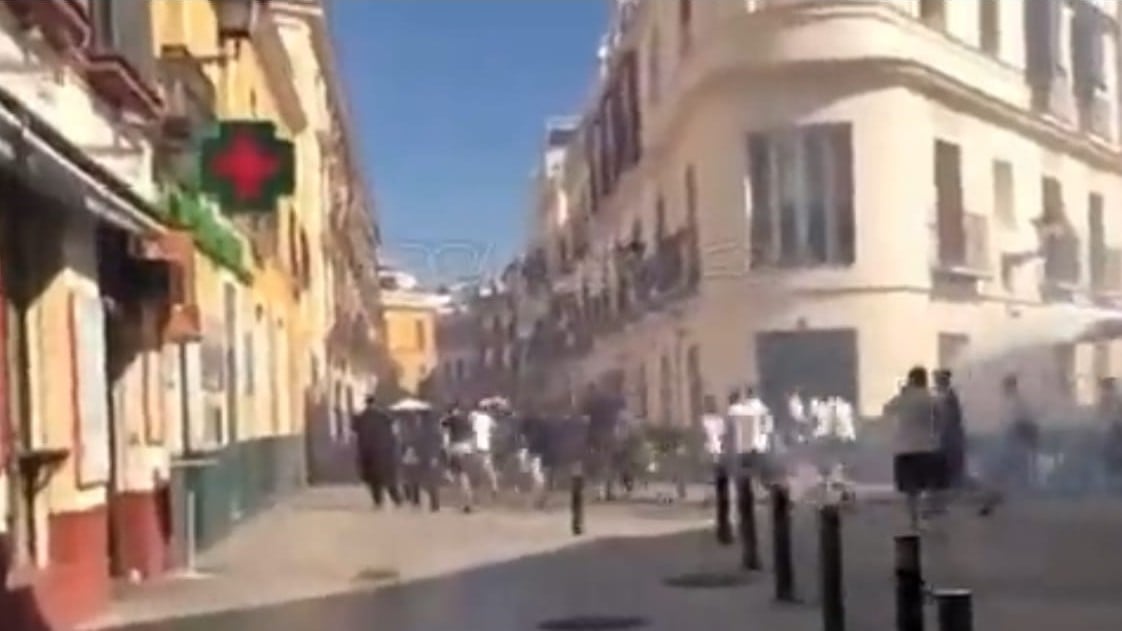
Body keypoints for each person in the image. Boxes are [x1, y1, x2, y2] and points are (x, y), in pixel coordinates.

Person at [884, 366, 943, 530]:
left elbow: (887, 409)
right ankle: (926, 518)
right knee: (927, 484)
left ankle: (913, 520)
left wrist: (902, 393)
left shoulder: (904, 397)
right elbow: (939, 419)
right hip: (927, 447)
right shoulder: (931, 398)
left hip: (905, 448)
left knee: (910, 489)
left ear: (911, 380)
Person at [352, 396, 403, 509]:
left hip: (368, 453)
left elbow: (354, 429)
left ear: (366, 403)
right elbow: (392, 428)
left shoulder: (362, 417)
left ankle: (378, 501)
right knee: (389, 478)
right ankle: (397, 500)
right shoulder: (382, 415)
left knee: (374, 480)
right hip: (382, 452)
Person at [442, 402, 477, 513]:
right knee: (464, 475)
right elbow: (472, 435)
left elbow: (443, 428)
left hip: (456, 447)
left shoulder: (450, 419)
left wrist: (446, 450)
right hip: (467, 448)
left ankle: (466, 503)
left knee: (459, 476)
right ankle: (468, 502)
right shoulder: (465, 420)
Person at [469, 401, 500, 502]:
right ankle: (494, 486)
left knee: (475, 470)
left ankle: (474, 493)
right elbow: (495, 427)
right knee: (489, 468)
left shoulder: (474, 416)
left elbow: (471, 427)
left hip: (476, 446)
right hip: (486, 446)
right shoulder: (488, 418)